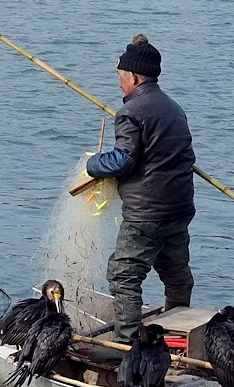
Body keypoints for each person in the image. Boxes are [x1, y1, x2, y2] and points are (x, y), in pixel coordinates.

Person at [73, 34, 197, 340]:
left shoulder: (130, 113)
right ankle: (178, 333)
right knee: (176, 274)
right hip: (180, 209)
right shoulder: (175, 109)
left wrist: (93, 164)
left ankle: (127, 345)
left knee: (124, 275)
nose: (118, 84)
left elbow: (123, 160)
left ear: (135, 76)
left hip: (146, 213)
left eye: (120, 76)